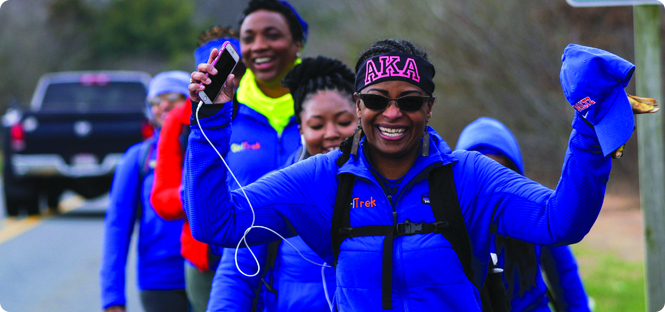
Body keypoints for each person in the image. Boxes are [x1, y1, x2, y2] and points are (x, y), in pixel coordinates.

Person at [184, 40, 637, 311]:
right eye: (377, 100)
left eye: (411, 101)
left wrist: (589, 132)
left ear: (430, 108)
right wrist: (211, 117)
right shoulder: (319, 180)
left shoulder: (471, 177)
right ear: (358, 106)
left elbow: (560, 222)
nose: (393, 113)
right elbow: (216, 224)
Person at [208, 56, 356, 311]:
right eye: (317, 124)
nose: (331, 133)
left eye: (344, 122)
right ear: (301, 130)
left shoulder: (390, 184)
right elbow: (237, 273)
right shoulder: (281, 191)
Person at [149, 26, 244, 312]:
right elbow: (161, 200)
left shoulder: (262, 114)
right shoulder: (179, 120)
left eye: (234, 71)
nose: (229, 81)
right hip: (202, 256)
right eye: (214, 71)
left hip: (260, 247)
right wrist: (204, 192)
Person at [456, 117, 591, 312]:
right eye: (480, 179)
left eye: (499, 175)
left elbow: (565, 278)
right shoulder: (446, 219)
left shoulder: (534, 212)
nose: (490, 190)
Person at [100, 71, 190, 312]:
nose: (163, 106)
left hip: (211, 272)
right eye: (155, 101)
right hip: (159, 280)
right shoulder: (138, 158)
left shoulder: (211, 147)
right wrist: (113, 296)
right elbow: (117, 227)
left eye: (173, 97)